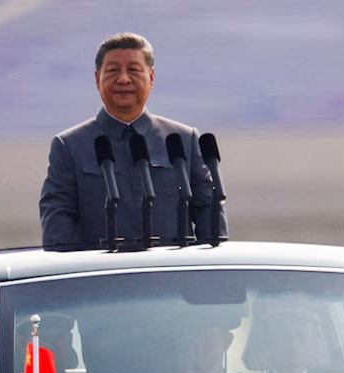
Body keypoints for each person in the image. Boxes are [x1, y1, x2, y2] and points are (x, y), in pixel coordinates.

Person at [40, 32, 229, 251]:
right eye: (113, 70)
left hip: (171, 270)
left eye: (134, 70)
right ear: (97, 79)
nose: (123, 79)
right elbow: (58, 227)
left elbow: (210, 221)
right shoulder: (69, 146)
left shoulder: (183, 140)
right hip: (102, 271)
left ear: (151, 77)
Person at [240, 306, 329, 373]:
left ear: (314, 343)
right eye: (284, 335)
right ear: (268, 343)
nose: (294, 343)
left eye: (301, 335)